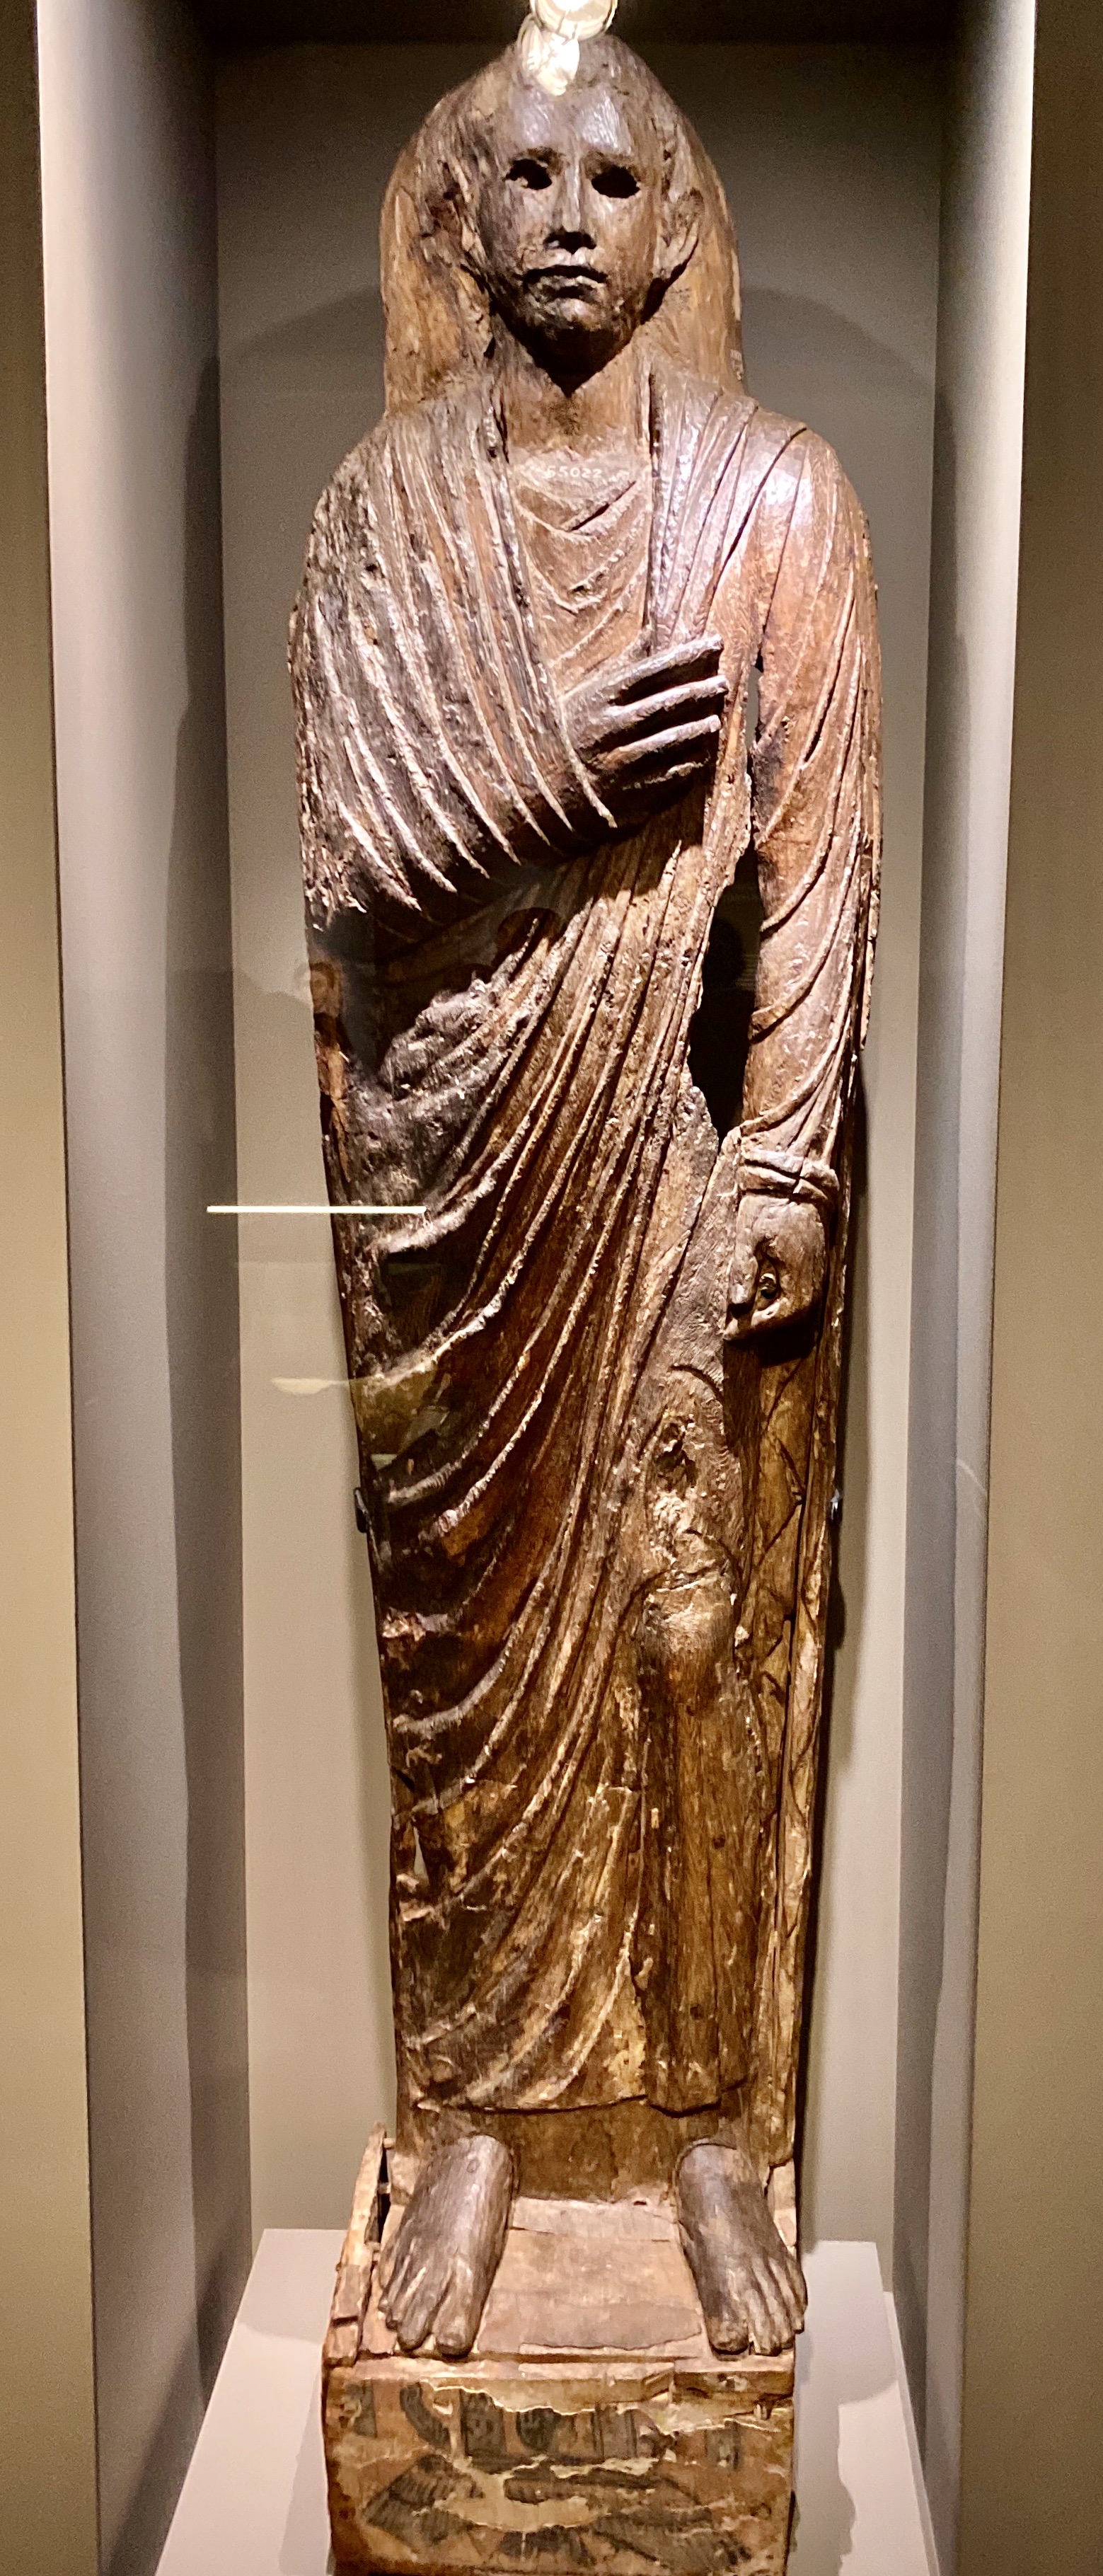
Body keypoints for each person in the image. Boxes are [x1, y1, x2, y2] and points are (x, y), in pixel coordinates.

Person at [291, 33, 879, 2365]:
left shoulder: (773, 501)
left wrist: (792, 1155)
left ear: (674, 224)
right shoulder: (376, 513)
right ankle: (479, 2130)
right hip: (448, 1177)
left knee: (692, 1644)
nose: (564, 214)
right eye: (521, 173)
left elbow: (814, 867)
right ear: (459, 217)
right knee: (460, 1674)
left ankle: (712, 2127)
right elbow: (350, 873)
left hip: (667, 1158)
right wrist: (548, 788)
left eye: (611, 177)